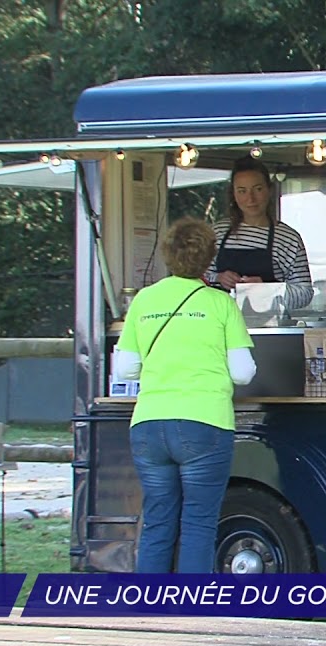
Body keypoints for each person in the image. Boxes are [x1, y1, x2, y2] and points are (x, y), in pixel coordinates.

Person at [114, 217, 257, 573]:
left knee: (158, 522)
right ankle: (191, 615)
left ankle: (149, 612)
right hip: (204, 424)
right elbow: (243, 372)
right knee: (198, 525)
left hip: (148, 424)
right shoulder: (221, 304)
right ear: (209, 257)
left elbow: (125, 369)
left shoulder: (145, 300)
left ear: (167, 255)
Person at [206, 156, 314, 309]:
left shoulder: (288, 239)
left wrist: (268, 289)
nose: (251, 199)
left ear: (269, 190)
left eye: (258, 189)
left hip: (269, 329)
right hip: (220, 326)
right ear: (233, 195)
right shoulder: (217, 233)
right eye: (242, 191)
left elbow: (305, 294)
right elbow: (197, 281)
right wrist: (218, 278)